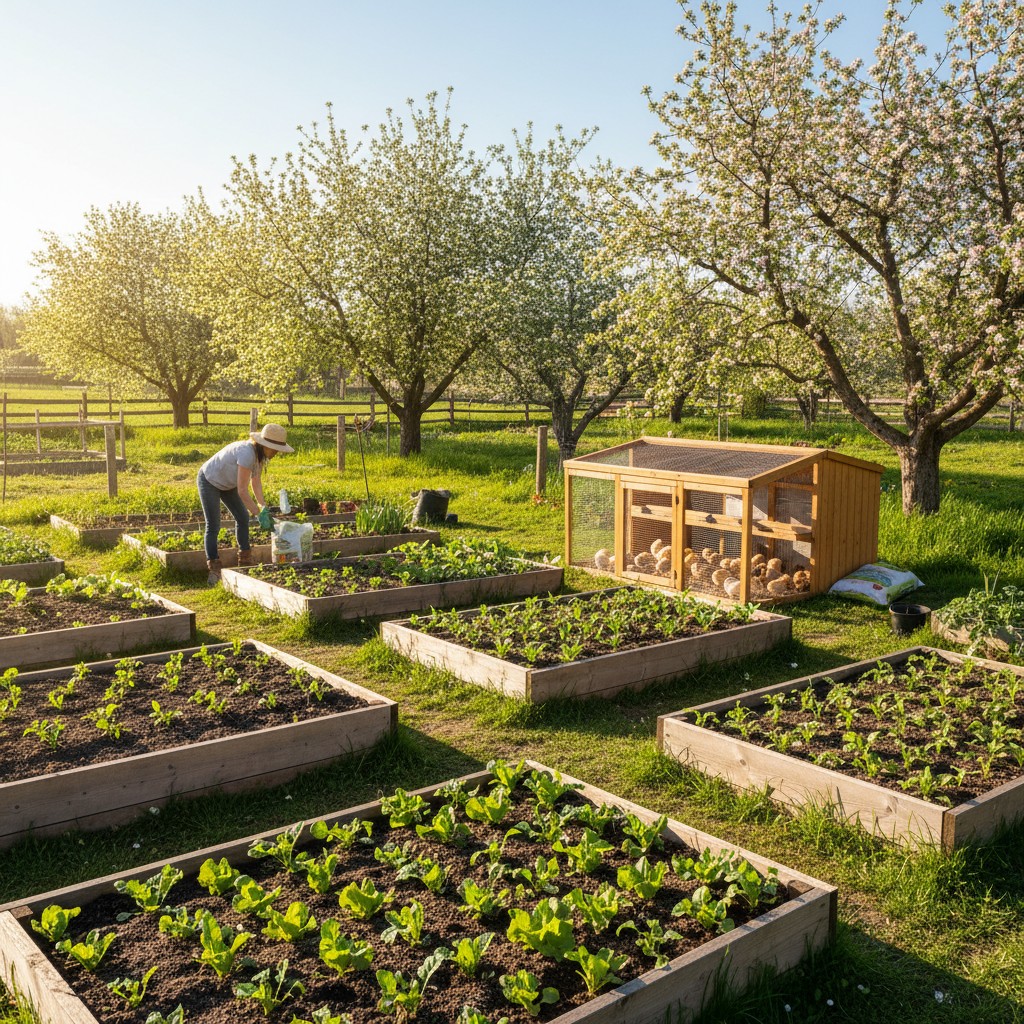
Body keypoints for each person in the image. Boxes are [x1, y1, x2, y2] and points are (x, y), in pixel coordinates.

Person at [197, 423, 294, 583]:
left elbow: (255, 482)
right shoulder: (247, 453)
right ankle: (214, 569)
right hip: (209, 480)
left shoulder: (259, 457)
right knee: (213, 525)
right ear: (265, 445)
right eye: (275, 449)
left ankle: (245, 561)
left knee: (242, 517)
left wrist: (263, 508)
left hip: (228, 483)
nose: (276, 453)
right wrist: (257, 514)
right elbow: (242, 490)